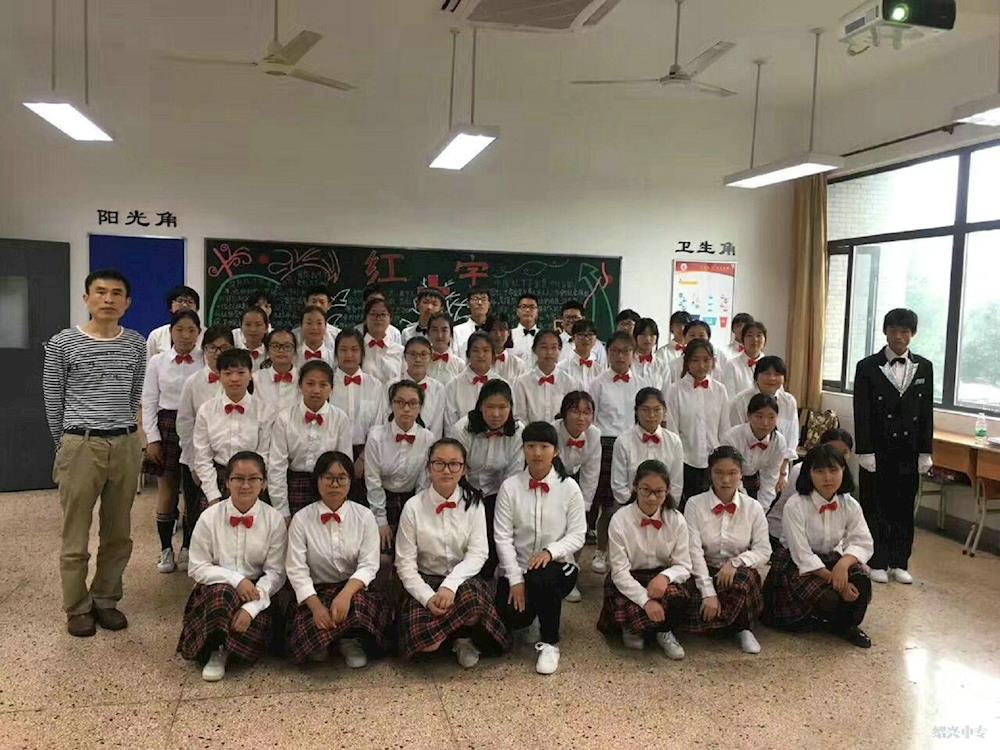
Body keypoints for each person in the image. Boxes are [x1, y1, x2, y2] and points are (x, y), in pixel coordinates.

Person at [44, 269, 146, 637]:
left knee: (118, 531)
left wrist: (128, 436)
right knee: (76, 533)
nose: (108, 299)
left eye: (116, 293)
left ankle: (105, 598)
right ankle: (77, 606)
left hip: (124, 443)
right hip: (81, 445)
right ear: (86, 298)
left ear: (127, 302)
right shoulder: (63, 343)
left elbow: (134, 395)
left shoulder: (136, 343)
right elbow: (53, 400)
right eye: (100, 292)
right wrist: (65, 445)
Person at [395, 439, 511, 667]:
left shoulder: (474, 504)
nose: (446, 470)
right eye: (439, 463)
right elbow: (405, 564)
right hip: (426, 580)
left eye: (454, 464)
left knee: (474, 604)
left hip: (462, 580)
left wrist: (450, 585)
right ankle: (448, 634)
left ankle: (461, 638)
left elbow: (478, 553)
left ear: (464, 469)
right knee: (424, 644)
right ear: (428, 467)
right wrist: (428, 598)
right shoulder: (413, 507)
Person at [178, 451, 287, 681]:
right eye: (238, 478)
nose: (245, 485)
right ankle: (216, 648)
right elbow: (196, 567)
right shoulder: (209, 517)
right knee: (222, 594)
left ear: (264, 483)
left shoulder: (274, 519)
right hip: (216, 591)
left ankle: (239, 646)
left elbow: (276, 573)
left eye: (253, 479)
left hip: (257, 592)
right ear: (227, 482)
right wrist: (235, 580)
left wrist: (251, 608)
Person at [494, 421, 587, 675]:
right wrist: (515, 580)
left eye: (544, 447)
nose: (537, 453)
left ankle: (550, 642)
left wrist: (550, 551)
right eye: (531, 446)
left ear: (555, 451)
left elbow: (578, 534)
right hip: (519, 569)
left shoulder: (569, 488)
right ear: (523, 449)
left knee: (542, 577)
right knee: (510, 616)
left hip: (558, 567)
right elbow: (502, 537)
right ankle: (535, 612)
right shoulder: (510, 487)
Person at [285, 451, 391, 666]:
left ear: (351, 481)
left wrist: (345, 595)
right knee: (309, 635)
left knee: (358, 608)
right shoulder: (301, 519)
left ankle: (349, 639)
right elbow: (296, 569)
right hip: (317, 592)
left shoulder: (364, 516)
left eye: (341, 478)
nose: (335, 484)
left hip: (353, 590)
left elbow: (369, 565)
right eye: (328, 477)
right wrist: (316, 607)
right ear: (317, 480)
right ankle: (326, 638)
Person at [762, 445, 874, 648]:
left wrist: (843, 566)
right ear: (809, 473)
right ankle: (821, 618)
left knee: (862, 581)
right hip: (797, 564)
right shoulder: (796, 504)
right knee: (829, 597)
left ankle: (846, 626)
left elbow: (862, 541)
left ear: (843, 470)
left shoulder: (849, 504)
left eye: (833, 470)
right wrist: (836, 581)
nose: (827, 477)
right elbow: (801, 554)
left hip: (832, 558)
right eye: (820, 471)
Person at [853, 308, 934, 586]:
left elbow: (926, 412)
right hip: (878, 449)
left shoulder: (924, 367)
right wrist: (864, 449)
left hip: (908, 450)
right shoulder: (867, 366)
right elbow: (861, 411)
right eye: (894, 330)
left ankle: (900, 561)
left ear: (913, 334)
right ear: (885, 331)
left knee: (903, 507)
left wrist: (925, 450)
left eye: (905, 331)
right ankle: (876, 560)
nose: (899, 336)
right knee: (875, 505)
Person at [596, 459, 691, 660]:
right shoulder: (620, 519)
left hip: (660, 577)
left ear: (668, 491)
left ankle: (664, 630)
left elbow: (684, 565)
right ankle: (632, 627)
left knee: (678, 597)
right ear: (635, 487)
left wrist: (665, 577)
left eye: (659, 492)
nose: (651, 497)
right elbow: (619, 572)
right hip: (630, 577)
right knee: (629, 608)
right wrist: (645, 601)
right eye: (645, 490)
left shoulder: (676, 519)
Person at [681, 446, 771, 654]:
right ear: (710, 473)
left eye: (732, 473)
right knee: (683, 591)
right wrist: (708, 593)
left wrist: (735, 562)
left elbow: (764, 550)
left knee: (745, 579)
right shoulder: (694, 504)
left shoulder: (753, 507)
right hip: (703, 570)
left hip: (735, 574)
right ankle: (728, 622)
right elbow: (693, 551)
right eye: (719, 473)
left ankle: (743, 628)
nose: (726, 480)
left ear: (741, 474)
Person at [141, 310, 204, 574]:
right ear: (171, 332)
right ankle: (166, 548)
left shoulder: (205, 359)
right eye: (180, 330)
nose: (186, 335)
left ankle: (188, 546)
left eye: (191, 330)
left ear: (199, 333)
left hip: (197, 426)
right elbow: (149, 401)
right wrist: (152, 439)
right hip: (166, 426)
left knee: (193, 489)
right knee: (167, 489)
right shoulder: (158, 361)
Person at [448, 379, 525, 578]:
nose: (496, 414)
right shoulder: (462, 428)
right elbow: (456, 467)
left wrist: (501, 507)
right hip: (465, 489)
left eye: (502, 407)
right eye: (490, 407)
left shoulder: (518, 432)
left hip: (498, 493)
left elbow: (514, 476)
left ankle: (489, 577)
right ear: (480, 406)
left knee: (495, 537)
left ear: (511, 408)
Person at [586, 331, 648, 575]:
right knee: (608, 504)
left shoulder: (642, 384)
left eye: (625, 351)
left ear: (633, 354)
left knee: (635, 501)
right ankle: (601, 550)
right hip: (606, 446)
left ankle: (630, 553)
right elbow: (591, 420)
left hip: (636, 443)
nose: (620, 356)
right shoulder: (597, 383)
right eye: (615, 351)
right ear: (607, 353)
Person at [176, 325, 234, 558]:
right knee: (198, 512)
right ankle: (195, 554)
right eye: (212, 348)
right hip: (197, 459)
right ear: (204, 350)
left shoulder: (241, 379)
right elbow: (185, 424)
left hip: (231, 461)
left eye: (224, 348)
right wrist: (194, 464)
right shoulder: (193, 382)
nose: (218, 353)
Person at [267, 361, 352, 519]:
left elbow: (344, 466)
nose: (316, 390)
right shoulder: (285, 418)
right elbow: (277, 466)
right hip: (294, 485)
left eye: (323, 384)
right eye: (310, 384)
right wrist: (282, 510)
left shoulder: (340, 419)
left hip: (329, 484)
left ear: (331, 388)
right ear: (300, 386)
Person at [192, 349, 273, 507]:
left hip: (253, 481)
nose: (234, 379)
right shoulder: (206, 410)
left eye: (241, 373)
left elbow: (265, 454)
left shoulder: (264, 411)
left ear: (250, 375)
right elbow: (202, 456)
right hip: (217, 480)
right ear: (219, 376)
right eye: (228, 373)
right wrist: (212, 495)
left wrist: (256, 487)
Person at [365, 380, 435, 550]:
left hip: (412, 500)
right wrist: (380, 520)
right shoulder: (375, 436)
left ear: (420, 407)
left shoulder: (427, 438)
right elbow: (373, 481)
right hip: (379, 500)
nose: (406, 409)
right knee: (381, 554)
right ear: (391, 405)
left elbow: (423, 483)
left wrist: (418, 516)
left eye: (412, 403)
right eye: (400, 402)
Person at [665, 339, 729, 508]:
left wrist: (722, 459)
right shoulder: (674, 390)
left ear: (713, 361)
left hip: (713, 462)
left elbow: (724, 429)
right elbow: (672, 430)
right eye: (695, 360)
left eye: (706, 360)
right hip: (685, 461)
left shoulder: (720, 390)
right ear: (686, 362)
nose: (701, 365)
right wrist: (676, 461)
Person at [768, 429, 853, 550]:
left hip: (824, 540)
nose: (836, 456)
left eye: (844, 452)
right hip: (786, 535)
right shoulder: (801, 472)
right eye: (832, 449)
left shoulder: (844, 480)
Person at [554, 391, 602, 602]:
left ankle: (570, 576)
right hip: (552, 478)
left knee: (577, 527)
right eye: (575, 411)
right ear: (564, 413)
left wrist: (584, 506)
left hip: (577, 477)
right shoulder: (553, 431)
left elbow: (591, 472)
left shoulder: (594, 435)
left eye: (587, 412)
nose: (581, 418)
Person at [329, 329, 384, 496]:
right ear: (336, 353)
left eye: (354, 349)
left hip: (366, 454)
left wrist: (363, 458)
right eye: (343, 349)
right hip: (332, 452)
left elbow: (378, 426)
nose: (349, 355)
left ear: (362, 353)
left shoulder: (375, 385)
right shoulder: (327, 383)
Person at [611, 388, 685, 510]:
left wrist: (662, 508)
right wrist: (638, 508)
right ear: (636, 411)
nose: (651, 415)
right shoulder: (623, 441)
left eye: (657, 410)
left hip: (664, 508)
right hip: (629, 508)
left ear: (665, 411)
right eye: (645, 410)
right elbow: (618, 485)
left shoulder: (674, 442)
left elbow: (676, 484)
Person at [719, 393, 788, 512]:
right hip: (728, 482)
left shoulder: (778, 442)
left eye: (771, 417)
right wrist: (748, 506)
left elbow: (770, 479)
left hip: (755, 483)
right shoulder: (731, 438)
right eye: (759, 416)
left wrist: (760, 509)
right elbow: (731, 475)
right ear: (749, 415)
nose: (765, 423)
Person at [727, 356, 800, 462]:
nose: (772, 378)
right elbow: (735, 436)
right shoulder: (740, 402)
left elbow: (792, 436)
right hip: (745, 462)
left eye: (777, 374)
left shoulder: (789, 401)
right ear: (756, 376)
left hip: (780, 463)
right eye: (767, 373)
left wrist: (783, 466)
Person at [382, 336, 446, 437]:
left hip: (427, 442)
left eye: (423, 354)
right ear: (405, 356)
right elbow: (386, 420)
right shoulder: (391, 385)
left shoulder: (438, 388)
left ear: (431, 357)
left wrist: (431, 444)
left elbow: (437, 427)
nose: (418, 359)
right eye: (412, 354)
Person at [513, 330, 580, 425]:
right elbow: (519, 417)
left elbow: (571, 415)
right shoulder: (522, 382)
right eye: (544, 347)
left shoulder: (569, 382)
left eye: (554, 347)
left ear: (560, 350)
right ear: (534, 350)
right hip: (530, 433)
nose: (549, 352)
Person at [443, 331, 503, 427]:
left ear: (493, 355)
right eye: (475, 350)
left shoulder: (502, 385)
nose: (481, 355)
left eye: (485, 350)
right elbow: (450, 425)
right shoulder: (453, 386)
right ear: (468, 354)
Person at [251, 329, 299, 414]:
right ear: (268, 351)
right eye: (275, 346)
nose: (281, 350)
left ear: (295, 351)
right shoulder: (255, 378)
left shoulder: (303, 379)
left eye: (287, 346)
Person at [146, 285, 201, 359]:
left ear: (196, 308)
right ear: (170, 307)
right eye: (180, 301)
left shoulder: (206, 335)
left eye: (190, 302)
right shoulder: (156, 335)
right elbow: (149, 363)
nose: (185, 305)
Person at [361, 296, 404, 386]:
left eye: (383, 314)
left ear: (390, 318)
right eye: (373, 314)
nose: (378, 318)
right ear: (365, 318)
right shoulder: (357, 349)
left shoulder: (400, 351)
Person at [666, 320, 724, 385]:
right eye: (692, 335)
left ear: (708, 338)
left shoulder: (716, 366)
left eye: (701, 335)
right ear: (684, 337)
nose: (696, 338)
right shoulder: (673, 366)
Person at [556, 319, 608, 388]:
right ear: (573, 338)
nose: (586, 339)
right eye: (581, 334)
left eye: (590, 334)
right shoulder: (562, 368)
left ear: (595, 339)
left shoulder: (599, 370)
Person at [722, 321, 767, 399]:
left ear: (765, 340)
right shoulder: (732, 365)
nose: (755, 339)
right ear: (742, 340)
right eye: (749, 335)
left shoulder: (771, 365)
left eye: (759, 335)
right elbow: (730, 397)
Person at [293, 284, 343, 351]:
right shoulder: (293, 337)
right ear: (306, 303)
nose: (317, 305)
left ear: (329, 305)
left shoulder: (338, 336)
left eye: (322, 302)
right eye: (314, 301)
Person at [557, 300, 607, 365]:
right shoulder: (555, 343)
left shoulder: (597, 345)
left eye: (575, 317)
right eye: (568, 317)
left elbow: (602, 369)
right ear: (562, 319)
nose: (571, 321)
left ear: (583, 319)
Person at [485, 313, 527, 383]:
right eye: (493, 330)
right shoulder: (480, 361)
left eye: (502, 330)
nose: (498, 335)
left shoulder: (518, 364)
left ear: (509, 333)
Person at [426, 313, 466, 385]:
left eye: (444, 330)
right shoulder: (422, 363)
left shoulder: (460, 365)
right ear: (428, 334)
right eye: (435, 330)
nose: (439, 335)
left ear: (451, 334)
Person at [632, 318, 671, 391]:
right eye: (643, 334)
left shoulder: (662, 365)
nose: (647, 338)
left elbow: (667, 392)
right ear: (635, 337)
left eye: (652, 335)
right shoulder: (628, 363)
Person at [452, 288, 492, 356]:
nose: (479, 303)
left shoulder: (496, 331)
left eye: (483, 299)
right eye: (475, 299)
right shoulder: (456, 331)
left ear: (489, 304)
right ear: (468, 304)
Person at [233, 306, 269, 371]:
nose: (253, 329)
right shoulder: (232, 354)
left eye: (258, 324)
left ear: (266, 328)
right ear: (241, 327)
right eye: (248, 324)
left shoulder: (271, 355)